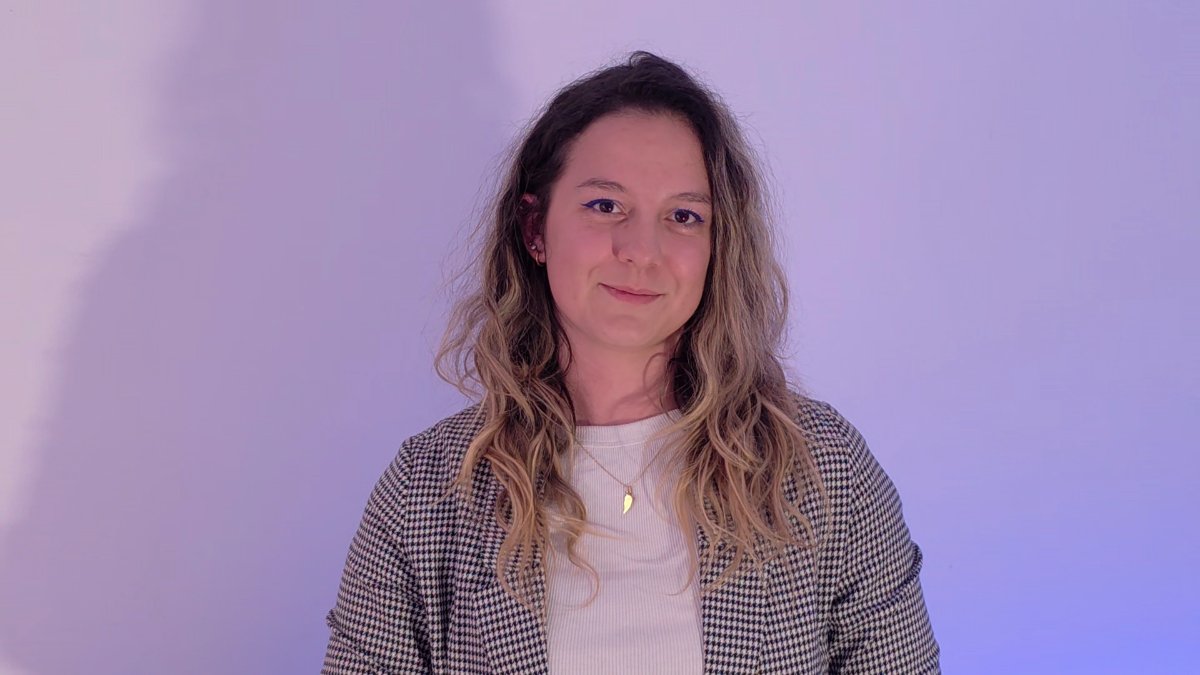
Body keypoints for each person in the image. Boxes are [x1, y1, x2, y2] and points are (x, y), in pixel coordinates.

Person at [322, 51, 939, 674]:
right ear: (535, 228)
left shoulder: (823, 470)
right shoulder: (427, 490)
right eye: (605, 205)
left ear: (717, 247)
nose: (642, 250)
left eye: (683, 216)